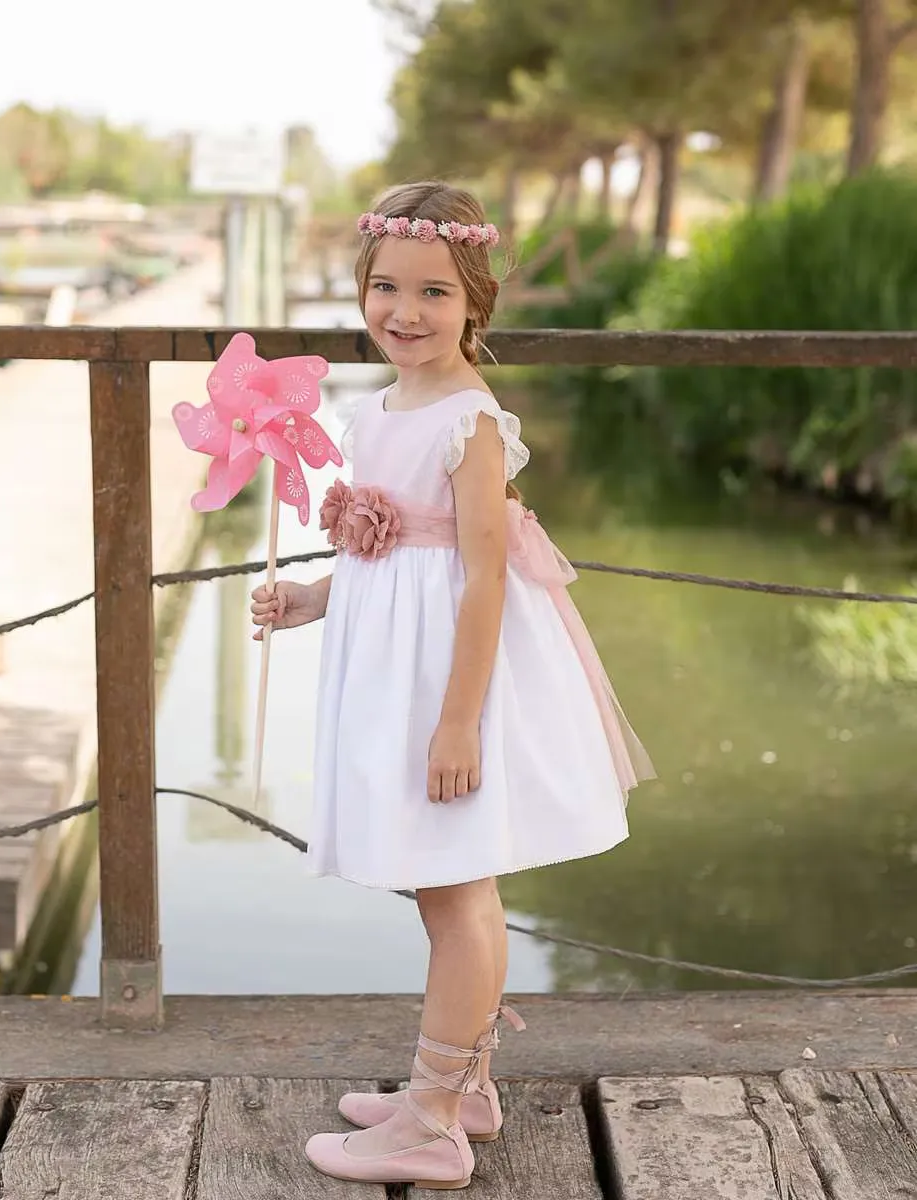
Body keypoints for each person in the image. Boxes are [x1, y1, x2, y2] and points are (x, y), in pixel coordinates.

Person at [250, 180, 654, 1190]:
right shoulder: (380, 407)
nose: (405, 311)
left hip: (448, 684)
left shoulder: (469, 419)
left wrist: (458, 723)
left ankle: (430, 1122)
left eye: (433, 292)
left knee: (458, 888)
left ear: (476, 301)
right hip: (397, 672)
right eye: (385, 286)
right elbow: (390, 556)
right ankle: (463, 1085)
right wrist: (311, 598)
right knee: (447, 888)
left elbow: (479, 576)